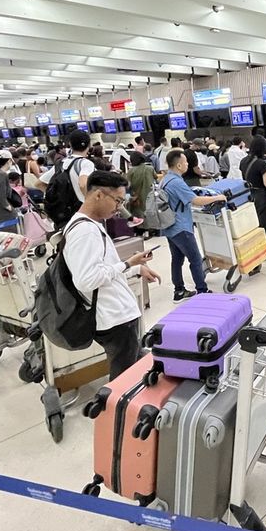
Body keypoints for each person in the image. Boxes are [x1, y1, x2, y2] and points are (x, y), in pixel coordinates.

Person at [62, 170, 160, 379]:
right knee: (124, 380)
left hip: (117, 315)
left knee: (137, 362)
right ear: (98, 195)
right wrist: (127, 263)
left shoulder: (86, 225)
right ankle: (118, 410)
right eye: (117, 201)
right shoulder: (85, 231)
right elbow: (86, 280)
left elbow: (102, 268)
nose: (119, 208)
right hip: (115, 319)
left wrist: (135, 268)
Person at [160, 149, 227, 300]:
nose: (187, 164)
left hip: (169, 226)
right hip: (181, 227)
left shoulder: (164, 179)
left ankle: (179, 291)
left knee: (177, 259)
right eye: (185, 162)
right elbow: (195, 200)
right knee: (195, 259)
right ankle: (202, 291)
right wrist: (217, 197)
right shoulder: (177, 182)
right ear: (178, 165)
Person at [38, 130, 96, 219]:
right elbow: (83, 184)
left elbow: (39, 183)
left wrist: (58, 197)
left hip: (64, 213)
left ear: (70, 145)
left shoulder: (62, 163)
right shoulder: (86, 163)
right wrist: (92, 203)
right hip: (82, 212)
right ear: (89, 145)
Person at [244, 136, 266, 245]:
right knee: (264, 224)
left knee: (253, 224)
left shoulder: (244, 161)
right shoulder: (261, 163)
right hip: (262, 196)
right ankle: (263, 248)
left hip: (248, 195)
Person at [125, 151, 155, 220]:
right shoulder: (150, 168)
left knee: (138, 216)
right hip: (149, 197)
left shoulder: (131, 171)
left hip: (137, 198)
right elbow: (155, 178)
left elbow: (127, 185)